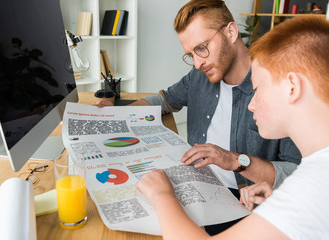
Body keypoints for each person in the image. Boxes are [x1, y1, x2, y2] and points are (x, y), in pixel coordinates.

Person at [100, 0, 301, 233]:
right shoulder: (199, 76)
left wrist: (236, 160)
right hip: (194, 187)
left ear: (231, 32)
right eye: (190, 54)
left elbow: (296, 171)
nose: (197, 63)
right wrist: (114, 114)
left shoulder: (276, 88)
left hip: (242, 202)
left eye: (201, 48)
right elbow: (164, 100)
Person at [136, 15, 329, 239]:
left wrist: (162, 195)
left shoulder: (315, 186)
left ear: (292, 87)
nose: (251, 104)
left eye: (257, 89)